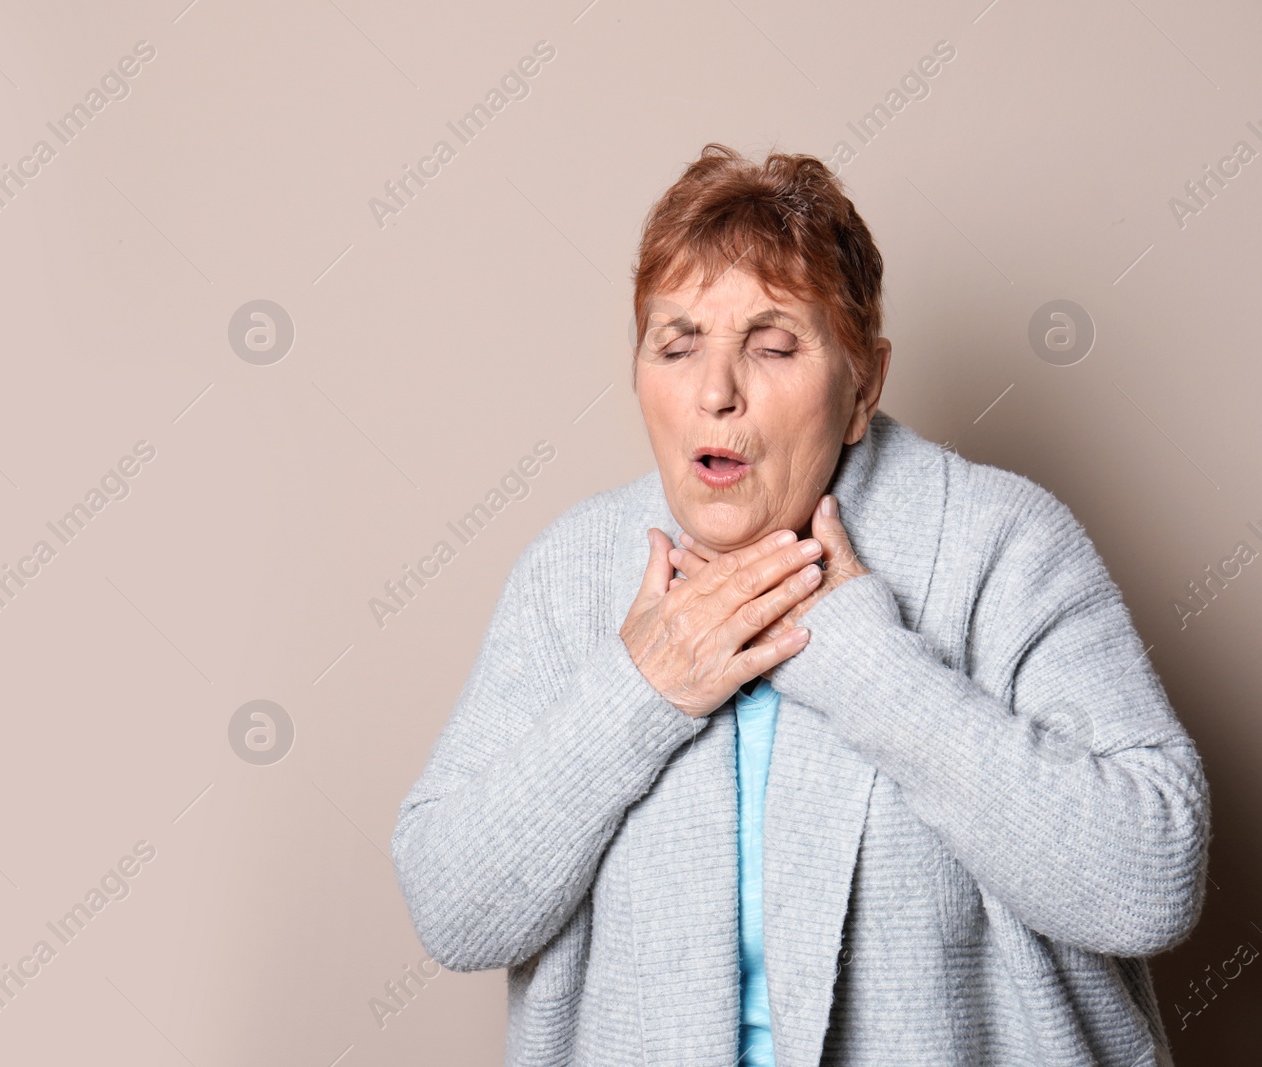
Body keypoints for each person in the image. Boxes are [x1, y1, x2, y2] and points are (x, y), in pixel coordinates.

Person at [390, 143, 1210, 1065]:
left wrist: (871, 669)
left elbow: (1149, 880)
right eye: (678, 343)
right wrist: (639, 691)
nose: (715, 393)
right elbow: (454, 910)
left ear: (863, 385)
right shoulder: (570, 571)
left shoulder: (1001, 540)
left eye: (773, 345)